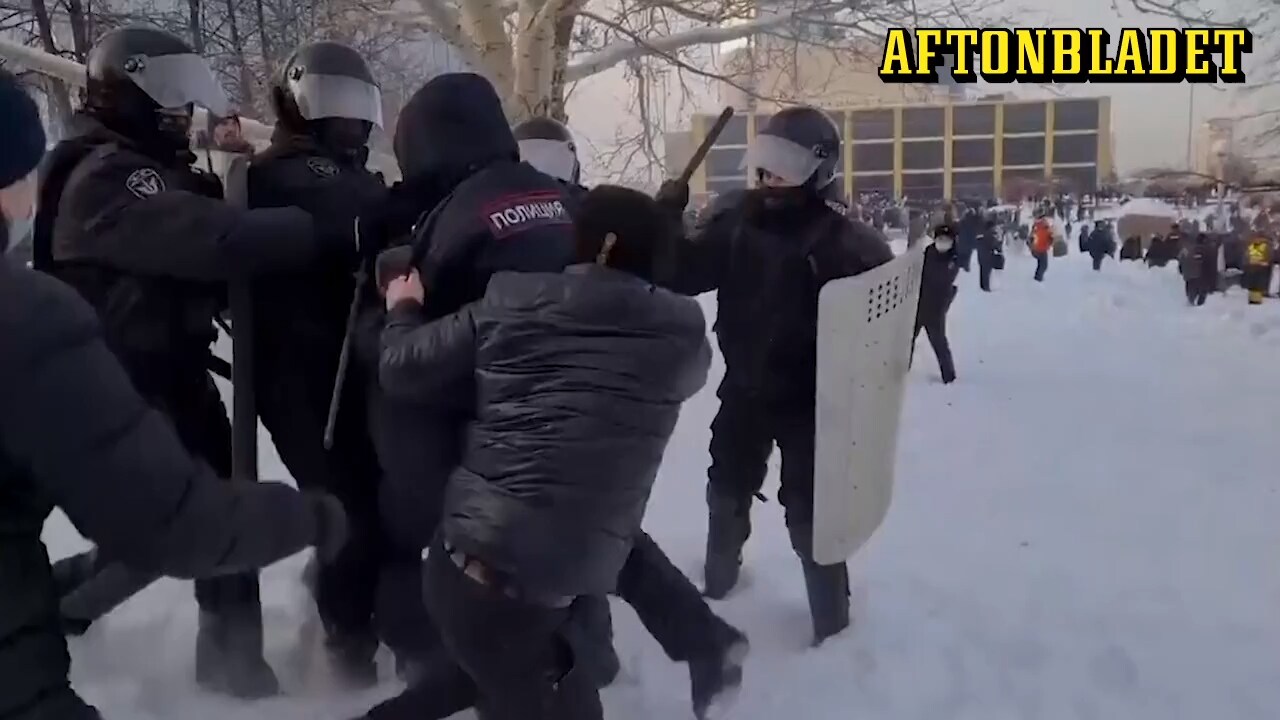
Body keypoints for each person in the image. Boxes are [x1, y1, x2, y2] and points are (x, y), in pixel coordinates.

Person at [358, 87, 746, 720]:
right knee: (548, 604)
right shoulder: (677, 334)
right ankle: (693, 642)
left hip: (488, 530)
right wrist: (662, 231)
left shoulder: (509, 296)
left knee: (503, 656)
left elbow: (407, 368)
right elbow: (640, 267)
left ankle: (661, 648)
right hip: (571, 511)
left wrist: (395, 308)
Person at [0, 67, 348, 720]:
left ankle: (226, 652)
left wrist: (232, 178)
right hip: (130, 372)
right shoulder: (109, 175)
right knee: (171, 514)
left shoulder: (137, 167)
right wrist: (323, 229)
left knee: (184, 503)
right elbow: (211, 236)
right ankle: (98, 615)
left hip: (157, 368)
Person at [662, 106, 894, 646]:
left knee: (811, 514)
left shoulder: (848, 243)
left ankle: (832, 625)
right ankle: (719, 583)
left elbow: (885, 329)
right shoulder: (733, 222)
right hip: (744, 388)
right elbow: (682, 274)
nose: (768, 179)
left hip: (814, 405)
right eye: (764, 165)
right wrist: (666, 227)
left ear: (818, 170)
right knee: (726, 485)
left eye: (784, 167)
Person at [244, 40, 390, 685]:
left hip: (348, 367)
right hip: (303, 375)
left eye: (362, 108)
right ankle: (347, 647)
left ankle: (346, 604)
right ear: (301, 104)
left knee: (370, 499)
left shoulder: (350, 170)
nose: (354, 122)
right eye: (339, 105)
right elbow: (353, 217)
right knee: (345, 507)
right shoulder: (286, 169)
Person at [914, 224, 959, 383]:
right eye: (939, 239)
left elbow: (946, 280)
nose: (942, 242)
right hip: (919, 303)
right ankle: (898, 370)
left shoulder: (953, 258)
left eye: (946, 240)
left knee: (939, 342)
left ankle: (949, 376)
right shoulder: (928, 253)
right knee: (907, 340)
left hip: (936, 308)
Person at [975, 216, 1000, 292]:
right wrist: (998, 245)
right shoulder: (990, 234)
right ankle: (986, 287)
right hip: (988, 256)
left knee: (982, 272)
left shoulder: (982, 234)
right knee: (987, 273)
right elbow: (994, 245)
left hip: (981, 256)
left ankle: (982, 286)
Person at [1031, 215, 1053, 282]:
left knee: (1041, 264)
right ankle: (1038, 279)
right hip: (1041, 249)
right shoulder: (1045, 228)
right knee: (1043, 265)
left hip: (1036, 249)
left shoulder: (1036, 227)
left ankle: (1037, 278)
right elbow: (1050, 238)